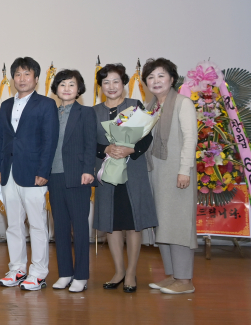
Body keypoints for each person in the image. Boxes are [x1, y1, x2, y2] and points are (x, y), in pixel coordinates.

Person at [0, 57, 58, 291]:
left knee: (38, 225)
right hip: (9, 173)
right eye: (17, 74)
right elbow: (1, 140)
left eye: (27, 74)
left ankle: (38, 273)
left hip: (33, 174)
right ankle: (17, 269)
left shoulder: (46, 104)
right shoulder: (6, 105)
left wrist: (43, 171)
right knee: (13, 225)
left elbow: (50, 141)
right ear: (12, 79)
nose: (21, 78)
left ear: (36, 79)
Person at [93, 63, 158, 293]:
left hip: (133, 172)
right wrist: (106, 150)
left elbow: (146, 137)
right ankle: (119, 271)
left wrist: (131, 150)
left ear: (124, 84)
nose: (111, 86)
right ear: (100, 86)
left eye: (116, 82)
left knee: (132, 223)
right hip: (107, 173)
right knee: (112, 224)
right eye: (106, 82)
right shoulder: (94, 111)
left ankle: (131, 273)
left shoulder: (135, 106)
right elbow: (90, 143)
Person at [143, 58, 198, 294]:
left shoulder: (183, 103)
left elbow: (190, 139)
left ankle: (185, 281)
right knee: (163, 225)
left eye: (161, 76)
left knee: (178, 225)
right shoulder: (151, 107)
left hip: (177, 174)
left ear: (172, 79)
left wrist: (184, 170)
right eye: (151, 77)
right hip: (156, 173)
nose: (156, 81)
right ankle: (173, 276)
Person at [46, 69, 96, 293]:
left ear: (79, 89)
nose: (66, 88)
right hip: (54, 177)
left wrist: (88, 170)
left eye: (71, 85)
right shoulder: (50, 112)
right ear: (56, 88)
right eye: (62, 84)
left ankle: (81, 275)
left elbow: (90, 144)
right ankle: (65, 273)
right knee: (61, 228)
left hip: (78, 176)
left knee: (80, 228)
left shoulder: (86, 113)